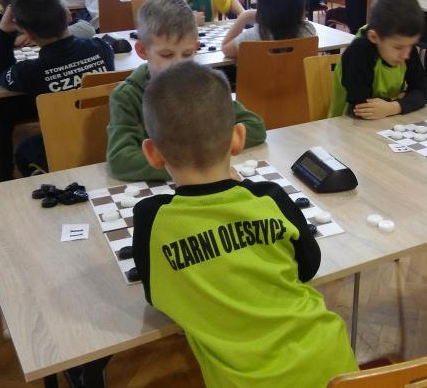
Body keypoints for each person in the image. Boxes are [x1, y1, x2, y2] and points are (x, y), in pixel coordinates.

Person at [131, 60, 358, 388]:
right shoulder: (269, 196)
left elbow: (156, 297)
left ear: (152, 153)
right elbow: (308, 266)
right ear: (238, 138)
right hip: (334, 365)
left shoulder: (151, 218)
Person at [107, 0, 266, 181]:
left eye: (187, 54)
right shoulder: (127, 96)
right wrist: (198, 162)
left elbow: (255, 127)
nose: (178, 64)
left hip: (204, 184)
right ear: (142, 51)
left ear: (196, 48)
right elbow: (120, 160)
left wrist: (201, 159)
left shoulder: (204, 86)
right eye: (167, 55)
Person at [0, 0, 114, 180]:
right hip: (109, 137)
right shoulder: (102, 48)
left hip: (64, 147)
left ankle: (19, 183)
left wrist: (3, 32)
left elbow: (1, 72)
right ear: (67, 15)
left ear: (28, 35)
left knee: (23, 147)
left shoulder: (29, 72)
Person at [329, 0, 427, 118]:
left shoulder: (404, 45)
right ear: (374, 37)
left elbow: (423, 92)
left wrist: (393, 107)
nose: (406, 55)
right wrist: (401, 101)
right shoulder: (359, 51)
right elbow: (360, 108)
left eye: (411, 45)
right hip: (347, 124)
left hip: (385, 120)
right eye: (398, 48)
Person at [223, 0, 316, 58]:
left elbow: (226, 49)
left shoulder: (252, 37)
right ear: (299, 1)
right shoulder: (309, 30)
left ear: (262, 4)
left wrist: (244, 16)